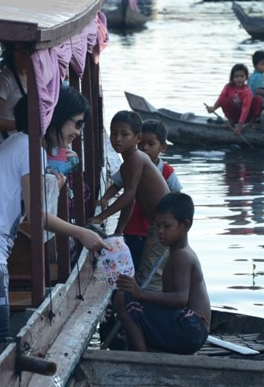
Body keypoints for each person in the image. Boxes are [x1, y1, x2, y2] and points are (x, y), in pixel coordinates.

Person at [0, 97, 109, 362]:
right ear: (55, 118)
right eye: (77, 124)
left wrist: (53, 187)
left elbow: (21, 201)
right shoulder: (30, 149)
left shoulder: (16, 143)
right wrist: (82, 233)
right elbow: (37, 215)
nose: (78, 132)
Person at [113, 192, 210, 354]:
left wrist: (140, 293)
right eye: (157, 225)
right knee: (130, 300)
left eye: (166, 226)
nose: (160, 231)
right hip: (192, 329)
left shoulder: (182, 255)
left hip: (191, 328)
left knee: (123, 299)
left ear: (185, 225)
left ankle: (142, 358)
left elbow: (180, 299)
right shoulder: (177, 252)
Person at [88, 111, 170, 287]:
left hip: (164, 224)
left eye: (124, 134)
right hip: (158, 224)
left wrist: (100, 217)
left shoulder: (136, 159)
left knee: (150, 275)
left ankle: (147, 302)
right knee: (148, 270)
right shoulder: (128, 163)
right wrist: (119, 230)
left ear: (137, 138)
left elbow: (129, 195)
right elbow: (130, 200)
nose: (117, 139)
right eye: (114, 133)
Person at [100, 119, 182, 268]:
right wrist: (105, 199)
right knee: (136, 262)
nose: (145, 148)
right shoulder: (130, 165)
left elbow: (177, 196)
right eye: (142, 144)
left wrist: (101, 217)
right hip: (134, 226)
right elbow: (118, 185)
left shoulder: (166, 170)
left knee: (150, 265)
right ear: (137, 140)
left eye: (150, 144)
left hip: (154, 226)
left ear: (163, 147)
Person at [0, 42, 34, 143]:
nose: (28, 55)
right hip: (11, 143)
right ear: (11, 52)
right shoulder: (3, 81)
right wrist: (22, 125)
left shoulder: (34, 75)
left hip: (30, 141)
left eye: (31, 50)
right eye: (23, 51)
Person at [205, 63, 260, 135]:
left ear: (246, 77)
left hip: (246, 116)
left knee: (258, 100)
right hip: (234, 115)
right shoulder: (228, 87)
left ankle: (251, 122)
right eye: (236, 76)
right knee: (225, 100)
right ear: (232, 78)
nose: (239, 79)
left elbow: (245, 108)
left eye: (242, 76)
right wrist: (213, 108)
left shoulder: (247, 91)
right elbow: (221, 98)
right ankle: (232, 121)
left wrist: (240, 125)